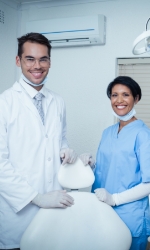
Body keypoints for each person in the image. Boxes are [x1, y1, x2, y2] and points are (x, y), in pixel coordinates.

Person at [0, 32, 77, 250]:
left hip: (54, 205)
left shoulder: (58, 101)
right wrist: (37, 198)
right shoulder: (4, 104)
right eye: (30, 59)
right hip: (19, 212)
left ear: (50, 62)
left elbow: (59, 138)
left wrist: (65, 150)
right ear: (18, 61)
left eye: (43, 59)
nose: (37, 65)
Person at [80, 76, 150, 250]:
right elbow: (110, 168)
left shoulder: (143, 134)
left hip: (129, 215)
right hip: (102, 211)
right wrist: (91, 164)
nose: (119, 100)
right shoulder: (107, 132)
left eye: (126, 95)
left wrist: (115, 199)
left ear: (136, 98)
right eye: (114, 95)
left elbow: (148, 183)